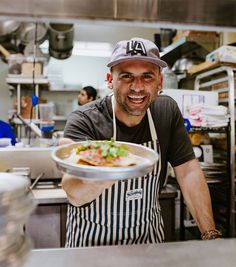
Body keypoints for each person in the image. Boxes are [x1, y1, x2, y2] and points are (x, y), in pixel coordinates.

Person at [61, 37, 221, 247]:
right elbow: (74, 193)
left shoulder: (166, 112)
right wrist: (106, 172)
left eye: (147, 77)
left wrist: (210, 235)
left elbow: (188, 171)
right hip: (91, 247)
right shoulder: (85, 120)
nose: (137, 87)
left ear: (160, 82)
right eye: (127, 76)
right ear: (110, 80)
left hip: (148, 244)